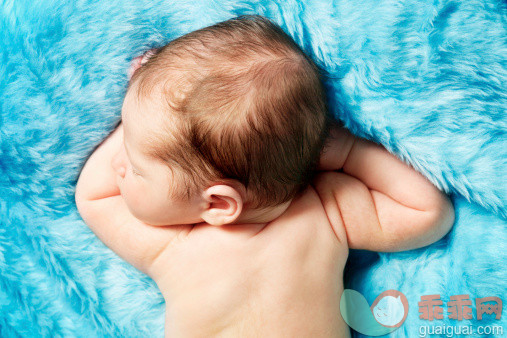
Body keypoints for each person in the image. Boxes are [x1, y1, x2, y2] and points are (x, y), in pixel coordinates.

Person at [75, 15, 455, 336]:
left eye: (136, 168)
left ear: (219, 203)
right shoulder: (327, 211)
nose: (117, 166)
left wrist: (133, 121)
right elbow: (427, 212)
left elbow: (93, 196)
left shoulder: (173, 244)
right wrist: (349, 153)